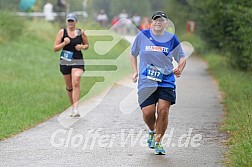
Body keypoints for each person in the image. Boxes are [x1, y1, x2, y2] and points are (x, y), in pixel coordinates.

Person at [129, 11, 186, 155]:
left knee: (163, 111)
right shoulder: (143, 36)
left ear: (166, 23)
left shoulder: (171, 39)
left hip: (166, 80)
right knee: (148, 113)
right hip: (146, 81)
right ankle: (152, 131)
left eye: (161, 20)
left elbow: (182, 57)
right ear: (151, 22)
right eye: (155, 20)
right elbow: (133, 54)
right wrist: (135, 71)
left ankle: (158, 142)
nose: (158, 23)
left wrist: (180, 67)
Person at [54, 13, 89, 117]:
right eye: (69, 21)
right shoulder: (62, 32)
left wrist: (82, 47)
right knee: (69, 86)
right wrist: (64, 43)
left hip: (77, 59)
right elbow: (55, 48)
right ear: (66, 21)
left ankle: (76, 108)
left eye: (72, 21)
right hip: (65, 60)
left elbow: (87, 45)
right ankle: (73, 106)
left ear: (76, 22)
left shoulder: (81, 32)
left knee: (76, 82)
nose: (70, 23)